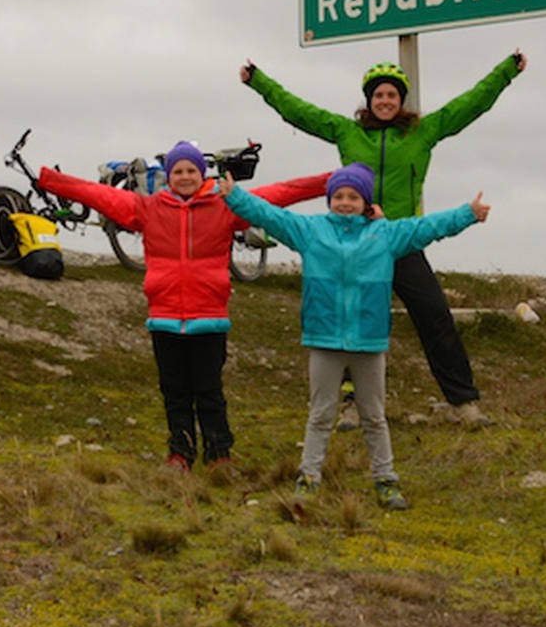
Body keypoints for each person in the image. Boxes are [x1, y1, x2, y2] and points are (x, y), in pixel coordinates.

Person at [240, 51, 523, 425]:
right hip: (356, 244)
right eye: (378, 96)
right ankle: (352, 405)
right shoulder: (347, 131)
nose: (385, 101)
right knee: (354, 322)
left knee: (435, 316)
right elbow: (299, 112)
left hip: (401, 241)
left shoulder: (423, 131)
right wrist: (259, 81)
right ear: (369, 101)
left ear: (400, 100)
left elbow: (469, 105)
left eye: (392, 95)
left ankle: (463, 403)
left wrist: (506, 71)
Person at [36, 143, 328, 472]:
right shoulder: (147, 208)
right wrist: (52, 180)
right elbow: (96, 194)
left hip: (209, 319)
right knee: (174, 391)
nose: (185, 177)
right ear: (168, 176)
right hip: (164, 319)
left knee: (209, 391)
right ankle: (180, 453)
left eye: (191, 171)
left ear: (201, 174)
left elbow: (281, 192)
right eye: (178, 171)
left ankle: (219, 455)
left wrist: (329, 181)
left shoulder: (226, 204)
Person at [222, 164, 490, 508]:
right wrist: (235, 196)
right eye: (338, 196)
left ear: (366, 203)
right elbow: (271, 216)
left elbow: (428, 227)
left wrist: (468, 213)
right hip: (324, 340)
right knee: (320, 414)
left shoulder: (386, 235)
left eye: (353, 196)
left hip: (370, 341)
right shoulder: (310, 231)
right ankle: (309, 477)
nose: (345, 202)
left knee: (374, 417)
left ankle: (386, 481)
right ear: (329, 200)